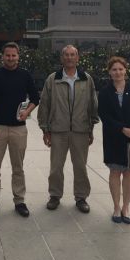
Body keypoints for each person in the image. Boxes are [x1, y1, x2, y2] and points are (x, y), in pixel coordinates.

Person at [37, 45, 98, 213]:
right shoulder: (53, 79)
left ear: (78, 58)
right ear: (62, 58)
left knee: (80, 166)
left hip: (81, 130)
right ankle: (55, 195)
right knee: (56, 166)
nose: (70, 58)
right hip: (58, 130)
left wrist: (91, 128)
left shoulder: (86, 79)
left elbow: (93, 104)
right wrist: (45, 129)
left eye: (73, 55)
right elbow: (44, 104)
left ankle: (81, 197)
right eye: (66, 55)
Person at [0, 42, 39, 217]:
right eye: (8, 55)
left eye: (14, 55)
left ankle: (19, 200)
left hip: (19, 129)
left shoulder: (25, 75)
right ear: (3, 56)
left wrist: (27, 111)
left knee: (18, 167)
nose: (11, 58)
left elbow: (36, 97)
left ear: (18, 56)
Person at [98, 56, 130, 224]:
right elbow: (104, 115)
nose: (117, 72)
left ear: (125, 70)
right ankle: (116, 207)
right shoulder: (104, 93)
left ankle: (126, 207)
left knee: (129, 173)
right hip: (113, 138)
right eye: (114, 69)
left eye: (120, 69)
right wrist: (121, 129)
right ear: (109, 72)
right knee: (115, 172)